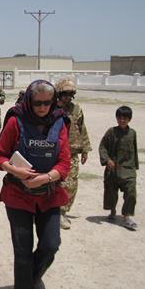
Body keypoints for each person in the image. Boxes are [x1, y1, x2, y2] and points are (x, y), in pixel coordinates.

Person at [0, 80, 70, 289]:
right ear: (29, 100)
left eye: (47, 103)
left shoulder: (60, 122)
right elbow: (0, 154)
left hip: (49, 194)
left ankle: (33, 276)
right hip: (18, 196)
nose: (42, 108)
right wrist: (17, 172)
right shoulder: (16, 120)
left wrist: (46, 177)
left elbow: (65, 162)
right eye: (37, 103)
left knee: (51, 244)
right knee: (22, 249)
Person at [55, 78, 91, 229]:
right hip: (54, 152)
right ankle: (52, 212)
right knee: (54, 183)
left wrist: (85, 149)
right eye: (65, 93)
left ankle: (62, 212)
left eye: (71, 94)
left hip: (72, 152)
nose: (68, 97)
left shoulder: (76, 109)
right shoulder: (51, 109)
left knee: (71, 184)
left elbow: (82, 128)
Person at [99, 106, 139, 230]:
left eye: (125, 118)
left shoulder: (132, 133)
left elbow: (134, 151)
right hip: (113, 168)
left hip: (128, 169)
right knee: (111, 192)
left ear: (129, 119)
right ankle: (112, 211)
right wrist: (107, 160)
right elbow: (102, 147)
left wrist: (135, 166)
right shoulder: (111, 132)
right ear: (116, 118)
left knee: (131, 193)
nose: (122, 120)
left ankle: (126, 217)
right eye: (120, 118)